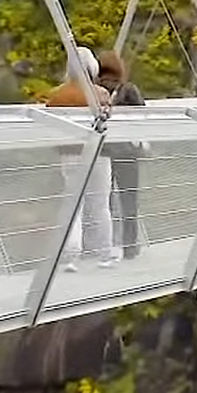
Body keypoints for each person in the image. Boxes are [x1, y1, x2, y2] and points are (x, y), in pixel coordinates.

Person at [46, 46, 117, 271]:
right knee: (100, 205)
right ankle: (105, 253)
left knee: (73, 205)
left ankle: (70, 257)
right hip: (98, 154)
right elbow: (108, 123)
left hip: (69, 155)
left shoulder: (57, 95)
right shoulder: (100, 94)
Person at [97, 51, 146, 261]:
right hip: (127, 152)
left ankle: (104, 247)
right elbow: (143, 116)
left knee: (103, 203)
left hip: (102, 153)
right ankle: (129, 246)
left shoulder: (94, 93)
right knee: (129, 201)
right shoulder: (129, 90)